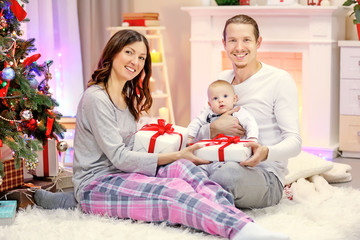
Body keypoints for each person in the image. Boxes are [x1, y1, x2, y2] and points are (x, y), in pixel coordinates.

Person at [34, 29, 290, 240]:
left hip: (125, 173)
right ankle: (238, 231)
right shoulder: (95, 98)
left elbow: (135, 146)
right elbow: (120, 158)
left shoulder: (128, 95)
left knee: (186, 170)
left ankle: (241, 223)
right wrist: (177, 153)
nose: (136, 61)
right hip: (97, 183)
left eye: (142, 58)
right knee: (173, 191)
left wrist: (176, 155)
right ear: (113, 54)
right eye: (129, 53)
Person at [193, 14, 302, 209]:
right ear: (224, 43)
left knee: (227, 176)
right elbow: (196, 135)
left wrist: (265, 152)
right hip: (219, 161)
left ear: (258, 42)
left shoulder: (279, 80)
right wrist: (214, 128)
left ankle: (193, 198)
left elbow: (295, 143)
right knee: (179, 164)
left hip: (264, 175)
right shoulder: (222, 80)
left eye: (246, 40)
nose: (239, 47)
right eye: (233, 40)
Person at [187, 79, 258, 146]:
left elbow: (250, 123)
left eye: (225, 96)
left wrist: (252, 139)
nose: (220, 100)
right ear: (210, 105)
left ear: (234, 99)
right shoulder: (208, 113)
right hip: (213, 148)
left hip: (235, 147)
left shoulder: (239, 111)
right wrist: (190, 137)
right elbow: (196, 123)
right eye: (215, 98)